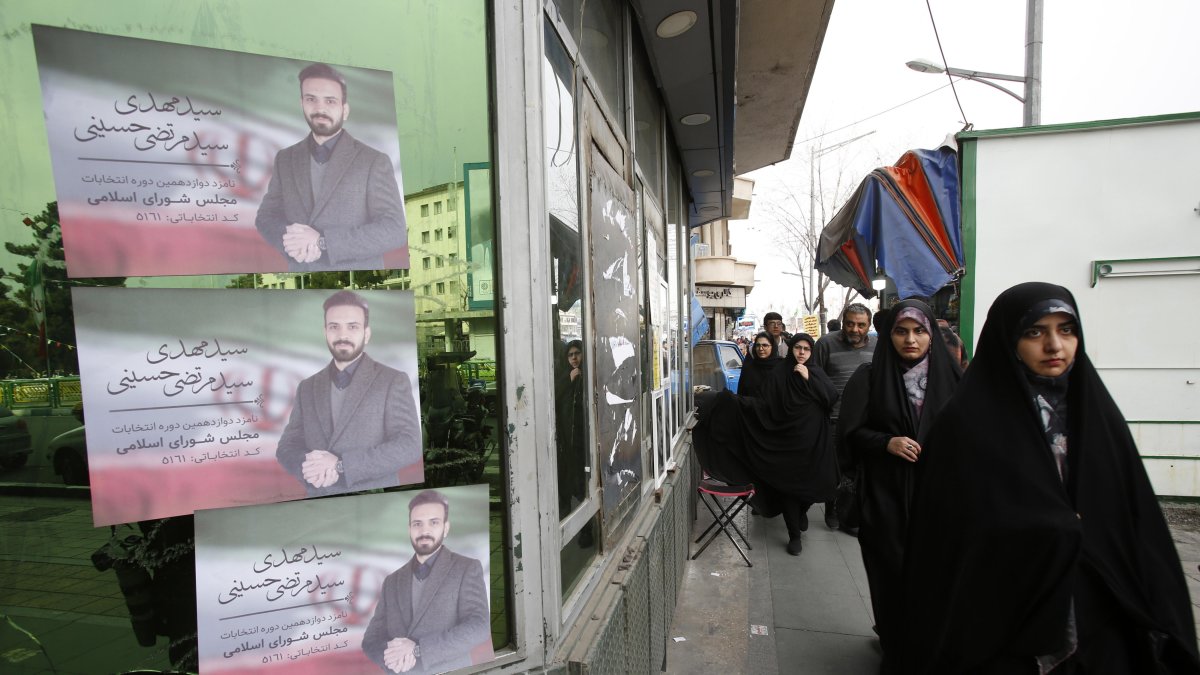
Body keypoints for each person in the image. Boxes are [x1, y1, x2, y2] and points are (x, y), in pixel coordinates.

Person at [898, 283, 1200, 674]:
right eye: (1035, 332)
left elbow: (1136, 521)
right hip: (1003, 620)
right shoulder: (966, 425)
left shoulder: (1097, 416)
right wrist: (1045, 525)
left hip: (1098, 609)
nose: (1055, 346)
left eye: (1067, 330)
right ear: (1008, 340)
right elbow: (948, 537)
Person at [840, 299, 960, 667]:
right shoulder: (871, 378)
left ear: (931, 336)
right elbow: (849, 433)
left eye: (919, 331)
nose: (911, 339)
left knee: (933, 584)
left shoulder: (954, 379)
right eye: (901, 331)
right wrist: (885, 442)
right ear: (889, 335)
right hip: (886, 498)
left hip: (938, 502)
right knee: (891, 579)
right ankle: (895, 648)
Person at [693, 333, 838, 556]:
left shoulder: (816, 372)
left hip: (814, 442)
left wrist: (810, 377)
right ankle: (794, 535)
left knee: (816, 483)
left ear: (812, 352)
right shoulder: (780, 373)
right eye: (797, 348)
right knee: (789, 487)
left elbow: (830, 398)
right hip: (787, 442)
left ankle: (801, 513)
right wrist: (731, 402)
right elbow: (765, 404)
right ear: (791, 350)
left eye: (806, 349)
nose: (801, 352)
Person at [255, 63, 406, 272]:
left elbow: (394, 229)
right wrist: (291, 242)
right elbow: (266, 217)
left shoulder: (374, 161)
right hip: (300, 281)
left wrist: (323, 243)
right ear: (302, 103)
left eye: (330, 101)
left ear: (345, 110)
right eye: (311, 99)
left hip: (357, 280)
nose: (320, 109)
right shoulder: (285, 158)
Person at [275, 290, 421, 496]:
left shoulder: (393, 380)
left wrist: (342, 466)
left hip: (376, 496)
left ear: (366, 334)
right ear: (325, 331)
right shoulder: (306, 387)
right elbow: (287, 446)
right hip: (318, 498)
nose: (342, 336)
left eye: (352, 327)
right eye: (334, 327)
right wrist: (308, 468)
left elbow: (409, 445)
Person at [362, 490, 493, 674]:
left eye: (434, 522)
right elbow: (371, 640)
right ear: (409, 529)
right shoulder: (391, 581)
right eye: (417, 524)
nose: (424, 531)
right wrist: (391, 658)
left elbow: (479, 626)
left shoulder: (467, 568)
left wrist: (418, 650)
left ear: (446, 528)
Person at [811, 303, 876, 529]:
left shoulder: (879, 346)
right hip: (833, 421)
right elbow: (813, 380)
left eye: (861, 325)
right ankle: (833, 511)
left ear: (869, 325)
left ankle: (856, 513)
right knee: (834, 470)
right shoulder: (825, 344)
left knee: (861, 470)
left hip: (866, 422)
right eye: (850, 323)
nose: (855, 329)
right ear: (843, 323)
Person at [555, 339, 588, 516]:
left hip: (583, 442)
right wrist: (569, 379)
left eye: (577, 353)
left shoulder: (589, 377)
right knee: (568, 482)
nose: (574, 358)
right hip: (567, 442)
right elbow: (555, 397)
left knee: (583, 485)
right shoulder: (564, 377)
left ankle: (585, 530)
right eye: (570, 355)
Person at [737, 331, 781, 398]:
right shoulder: (748, 368)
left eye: (765, 345)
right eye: (758, 345)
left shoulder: (781, 367)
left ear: (772, 347)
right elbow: (741, 395)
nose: (760, 349)